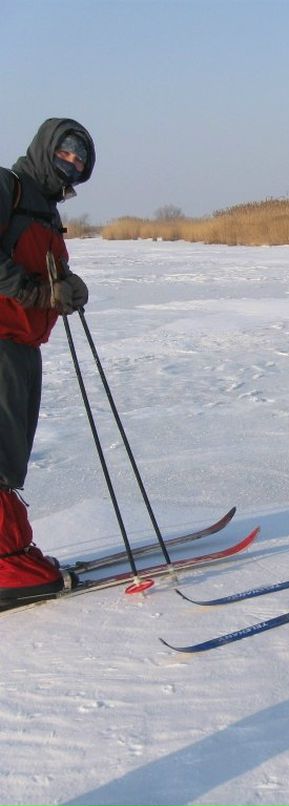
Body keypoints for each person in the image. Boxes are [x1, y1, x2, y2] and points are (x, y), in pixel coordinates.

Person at [0, 118, 94, 602]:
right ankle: (5, 563)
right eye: (67, 151)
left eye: (80, 158)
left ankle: (12, 552)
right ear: (45, 148)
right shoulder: (8, 188)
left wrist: (67, 286)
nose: (72, 161)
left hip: (22, 344)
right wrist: (40, 292)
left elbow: (44, 269)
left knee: (9, 456)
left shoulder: (45, 213)